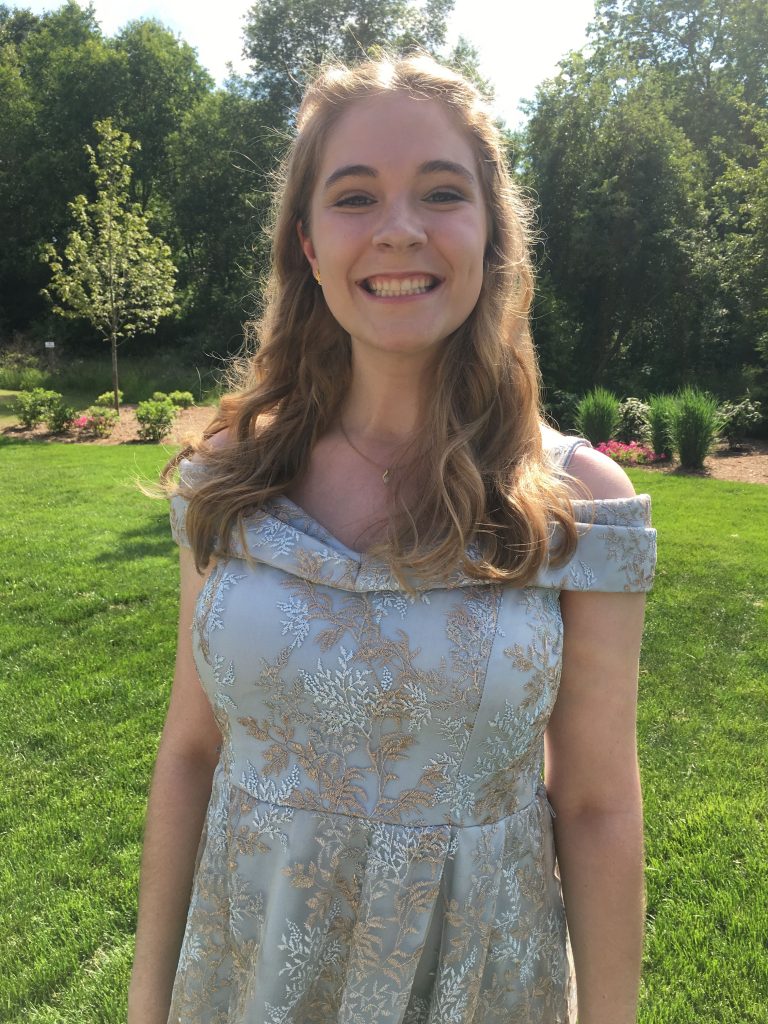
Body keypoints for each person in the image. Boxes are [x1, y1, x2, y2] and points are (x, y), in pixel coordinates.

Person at [128, 54, 656, 1024]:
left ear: (491, 231)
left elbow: (595, 806)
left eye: (442, 193)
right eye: (356, 195)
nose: (400, 229)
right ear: (308, 243)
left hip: (476, 986)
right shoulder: (229, 482)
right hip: (248, 979)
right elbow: (192, 749)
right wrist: (146, 1002)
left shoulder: (579, 504)